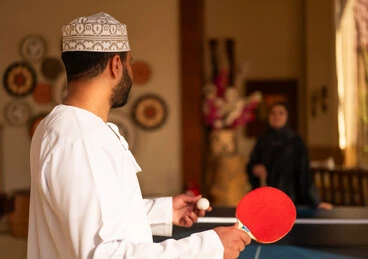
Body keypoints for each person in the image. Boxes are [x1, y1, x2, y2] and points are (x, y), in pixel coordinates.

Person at [28, 12, 250, 259]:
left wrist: (163, 212)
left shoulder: (61, 126)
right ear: (116, 65)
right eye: (130, 62)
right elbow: (105, 254)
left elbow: (93, 213)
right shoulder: (80, 140)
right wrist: (210, 246)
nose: (130, 72)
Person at [246, 101, 332, 210]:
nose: (276, 116)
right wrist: (255, 168)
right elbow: (251, 165)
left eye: (281, 113)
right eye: (273, 113)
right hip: (265, 201)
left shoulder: (296, 141)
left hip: (291, 200)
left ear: (287, 116)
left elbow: (304, 174)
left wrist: (316, 201)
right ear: (269, 116)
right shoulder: (262, 140)